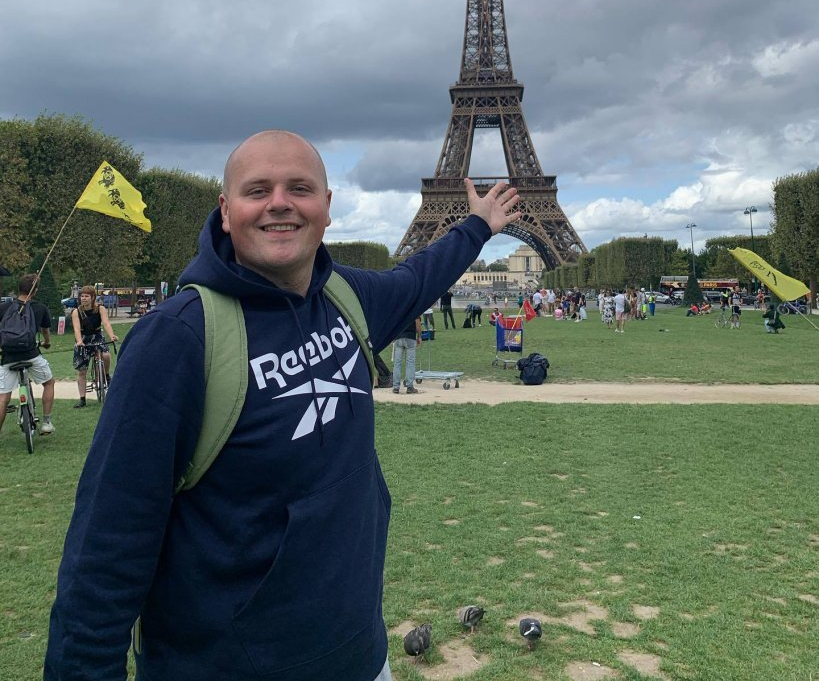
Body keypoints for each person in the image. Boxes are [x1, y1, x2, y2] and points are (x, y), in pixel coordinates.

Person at [44, 130, 521, 681]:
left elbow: (417, 278)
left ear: (326, 207)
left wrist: (477, 226)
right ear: (226, 211)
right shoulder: (176, 339)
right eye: (257, 190)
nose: (280, 203)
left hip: (362, 656)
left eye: (300, 188)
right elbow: (106, 547)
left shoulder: (347, 298)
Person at [0, 273, 56, 435]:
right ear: (35, 290)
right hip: (31, 355)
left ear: (19, 288)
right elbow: (45, 331)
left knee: (3, 398)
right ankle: (46, 422)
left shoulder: (4, 307)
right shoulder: (40, 308)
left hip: (8, 357)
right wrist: (46, 342)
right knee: (49, 383)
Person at [70, 285, 117, 408]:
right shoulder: (76, 312)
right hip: (83, 339)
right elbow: (76, 329)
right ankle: (82, 399)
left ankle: (106, 375)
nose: (84, 298)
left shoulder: (100, 309)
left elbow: (106, 323)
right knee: (82, 371)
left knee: (106, 355)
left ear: (93, 297)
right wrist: (79, 341)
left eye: (87, 296)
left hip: (97, 337)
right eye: (82, 296)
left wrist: (112, 336)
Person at [392, 317, 421, 394]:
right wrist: (419, 336)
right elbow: (418, 324)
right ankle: (409, 386)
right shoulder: (414, 310)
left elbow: (393, 323)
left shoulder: (398, 311)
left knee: (397, 363)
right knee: (410, 362)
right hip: (410, 337)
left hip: (399, 337)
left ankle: (396, 387)